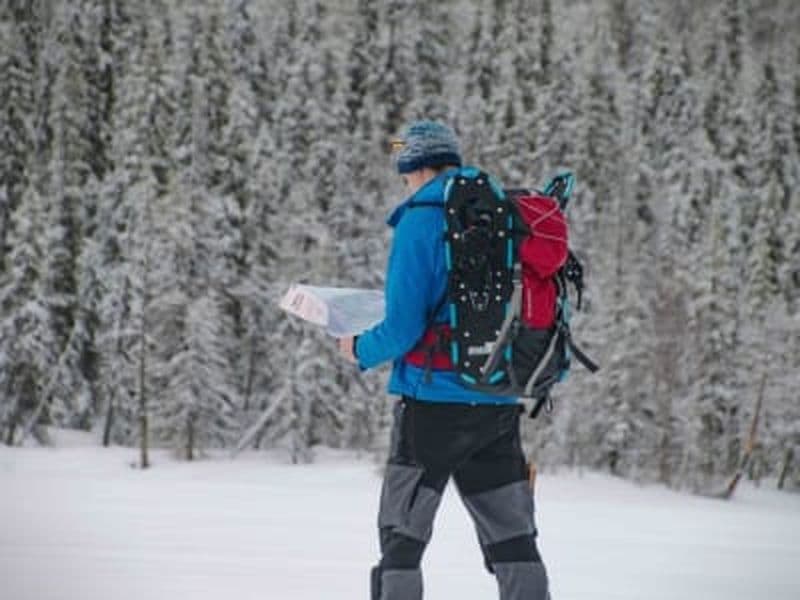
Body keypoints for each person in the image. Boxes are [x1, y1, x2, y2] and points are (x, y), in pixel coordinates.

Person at [337, 120, 550, 600]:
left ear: (415, 165)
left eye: (404, 166)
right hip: (497, 399)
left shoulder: (422, 218)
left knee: (402, 539)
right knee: (513, 537)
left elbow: (403, 327)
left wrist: (358, 349)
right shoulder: (500, 212)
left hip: (430, 406)